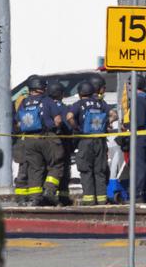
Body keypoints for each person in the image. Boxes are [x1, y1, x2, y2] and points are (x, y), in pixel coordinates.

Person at [17, 76, 66, 206]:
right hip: (47, 137)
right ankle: (49, 190)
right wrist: (58, 128)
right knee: (56, 164)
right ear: (43, 88)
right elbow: (58, 120)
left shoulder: (24, 102)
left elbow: (18, 122)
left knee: (35, 169)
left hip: (29, 139)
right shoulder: (48, 101)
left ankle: (35, 198)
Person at [67, 81, 112, 205]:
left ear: (80, 93)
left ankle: (89, 200)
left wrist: (76, 128)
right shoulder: (101, 103)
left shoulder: (78, 104)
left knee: (86, 170)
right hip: (100, 141)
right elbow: (114, 115)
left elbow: (69, 117)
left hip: (85, 141)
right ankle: (102, 200)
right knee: (100, 171)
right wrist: (106, 124)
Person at [48, 82, 74, 206]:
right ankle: (62, 197)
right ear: (61, 94)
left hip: (42, 141)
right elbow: (68, 126)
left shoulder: (44, 105)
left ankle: (41, 195)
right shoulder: (63, 108)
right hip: (61, 143)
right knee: (61, 170)